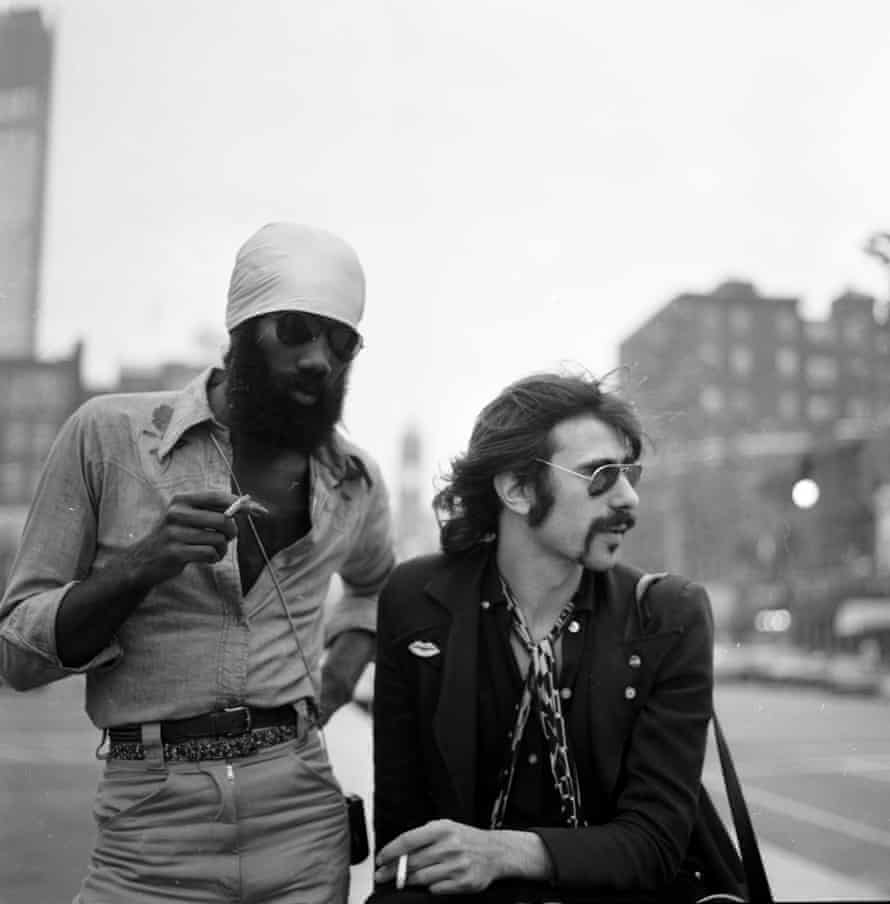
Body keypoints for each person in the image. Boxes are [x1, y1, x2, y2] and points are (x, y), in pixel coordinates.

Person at [0, 222, 396, 904]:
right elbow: (18, 653)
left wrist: (329, 692)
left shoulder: (355, 479)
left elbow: (372, 590)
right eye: (295, 330)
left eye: (341, 343)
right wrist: (140, 565)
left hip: (302, 814)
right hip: (151, 823)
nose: (318, 360)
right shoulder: (110, 437)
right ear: (240, 329)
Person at [370, 372, 715, 904]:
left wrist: (502, 852)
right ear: (516, 488)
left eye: (630, 474)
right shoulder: (415, 601)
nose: (628, 500)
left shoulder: (667, 615)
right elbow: (405, 849)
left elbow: (656, 844)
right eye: (599, 475)